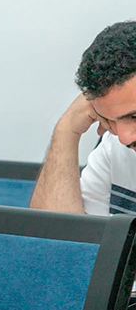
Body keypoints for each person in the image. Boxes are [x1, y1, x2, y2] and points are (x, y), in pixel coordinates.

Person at [30, 21, 136, 215]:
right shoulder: (112, 147)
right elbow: (55, 231)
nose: (123, 138)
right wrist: (68, 128)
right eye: (108, 120)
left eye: (134, 116)